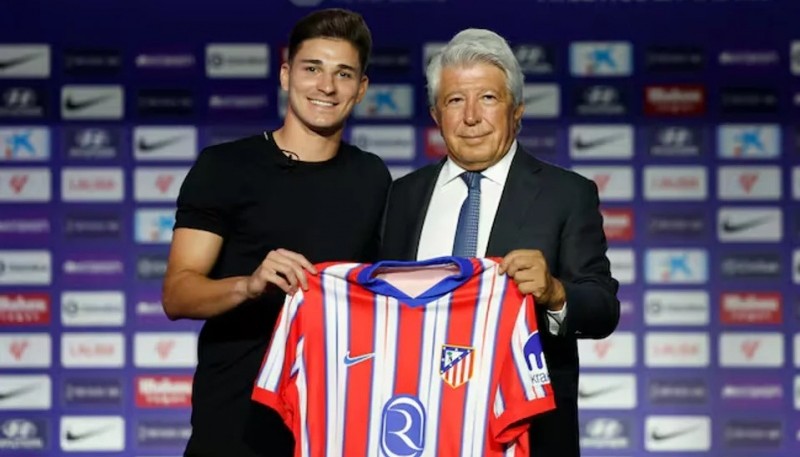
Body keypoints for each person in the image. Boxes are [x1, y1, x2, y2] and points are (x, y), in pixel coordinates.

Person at [161, 9, 391, 457]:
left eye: (343, 74)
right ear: (286, 75)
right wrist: (249, 285)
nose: (326, 86)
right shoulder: (225, 167)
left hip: (335, 423)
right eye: (312, 69)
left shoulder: (372, 177)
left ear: (361, 89)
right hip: (235, 424)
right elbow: (178, 293)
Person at [380, 28, 620, 457]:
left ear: (518, 111)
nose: (471, 116)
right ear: (436, 114)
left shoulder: (567, 194)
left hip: (524, 432)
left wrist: (555, 293)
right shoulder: (402, 196)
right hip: (417, 430)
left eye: (488, 98)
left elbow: (603, 309)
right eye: (455, 101)